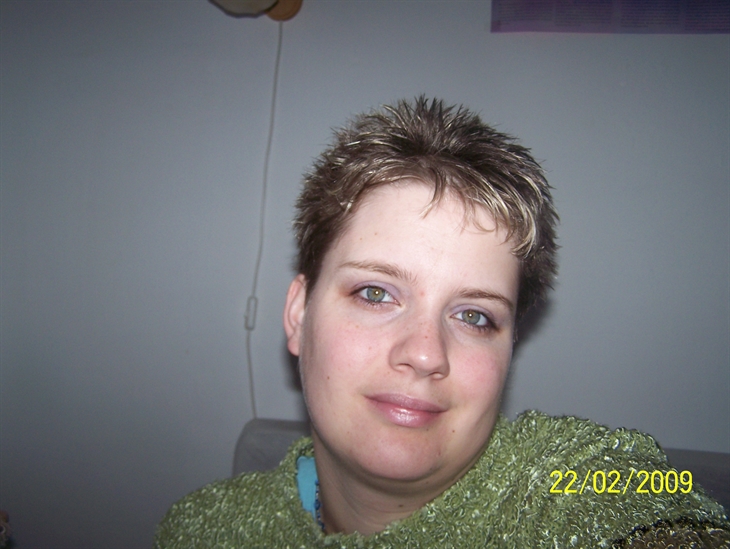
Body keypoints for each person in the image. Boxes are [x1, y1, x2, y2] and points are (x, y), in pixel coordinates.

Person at [154, 97, 729, 548]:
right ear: (299, 315)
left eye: (474, 315)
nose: (427, 353)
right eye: (376, 293)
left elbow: (658, 494)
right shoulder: (204, 529)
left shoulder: (560, 484)